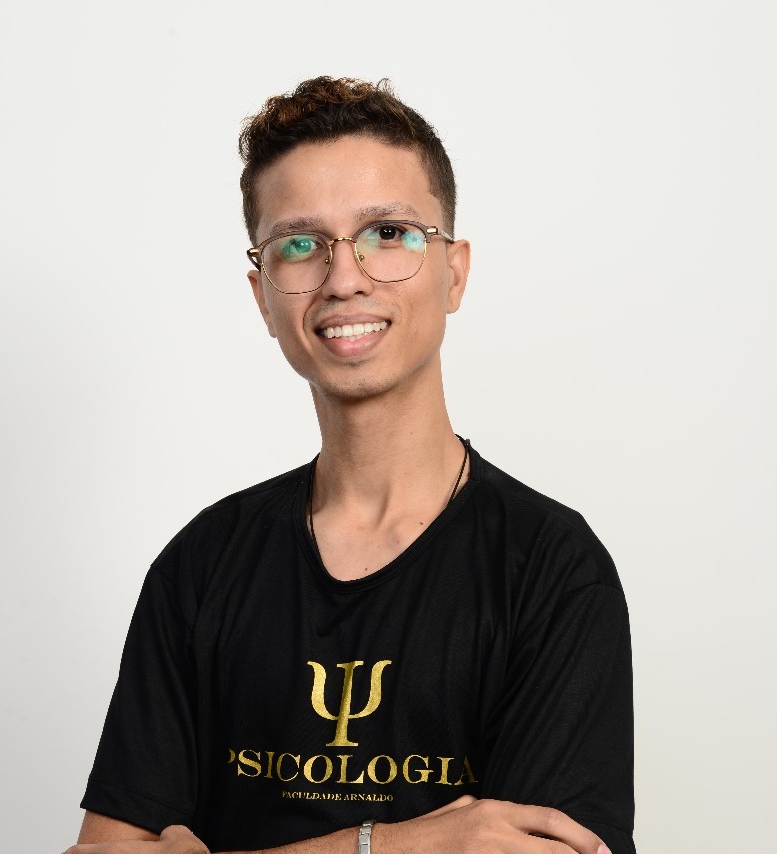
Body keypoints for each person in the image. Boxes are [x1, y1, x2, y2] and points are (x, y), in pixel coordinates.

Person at [64, 77, 635, 854]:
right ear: (263, 297)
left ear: (454, 272)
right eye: (300, 245)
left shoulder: (552, 571)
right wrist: (395, 844)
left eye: (388, 233)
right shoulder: (201, 566)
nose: (343, 278)